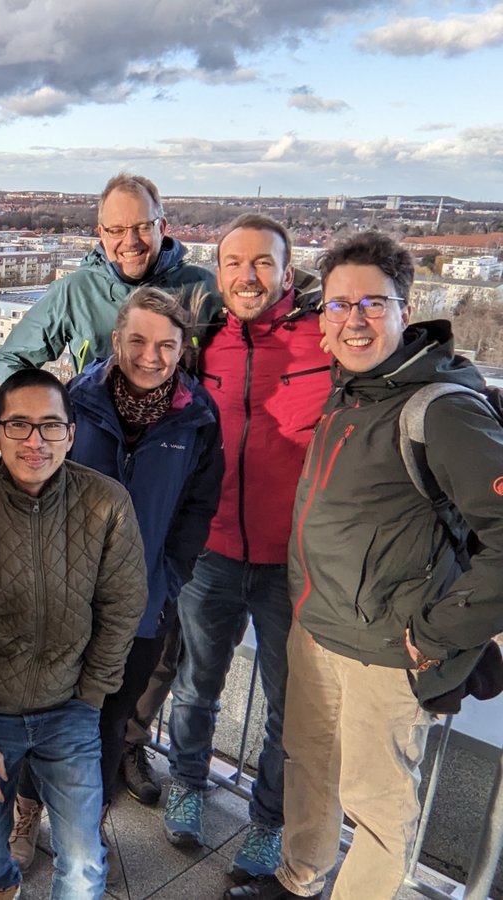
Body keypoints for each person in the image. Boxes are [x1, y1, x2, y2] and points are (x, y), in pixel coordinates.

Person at [226, 233, 503, 900]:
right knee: (309, 772)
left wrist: (436, 634)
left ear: (407, 308)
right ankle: (298, 880)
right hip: (318, 630)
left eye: (372, 304)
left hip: (387, 652)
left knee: (378, 813)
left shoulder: (438, 408)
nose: (353, 320)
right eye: (339, 304)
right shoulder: (355, 390)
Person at [5, 287, 224, 867]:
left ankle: (86, 826)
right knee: (44, 713)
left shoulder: (198, 417)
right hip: (61, 601)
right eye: (138, 341)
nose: (150, 356)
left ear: (183, 350)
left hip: (142, 606)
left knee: (109, 721)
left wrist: (169, 579)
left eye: (166, 346)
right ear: (116, 339)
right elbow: (34, 488)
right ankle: (26, 814)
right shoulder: (74, 401)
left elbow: (197, 510)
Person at [0, 367, 147, 899]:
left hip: (70, 705)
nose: (35, 441)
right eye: (18, 426)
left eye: (50, 425)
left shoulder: (107, 503)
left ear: (72, 433)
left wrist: (90, 695)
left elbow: (122, 606)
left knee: (86, 861)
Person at [163, 214, 330, 883]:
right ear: (218, 270)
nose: (247, 276)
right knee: (197, 684)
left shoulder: (326, 338)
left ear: (288, 272)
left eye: (263, 263)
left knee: (291, 711)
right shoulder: (202, 341)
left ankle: (267, 825)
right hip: (214, 552)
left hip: (295, 564)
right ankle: (186, 784)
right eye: (234, 263)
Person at [0, 172, 217, 383]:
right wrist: (50, 414)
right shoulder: (75, 293)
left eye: (142, 227)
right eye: (117, 230)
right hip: (96, 423)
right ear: (101, 234)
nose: (131, 241)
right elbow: (12, 361)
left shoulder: (202, 288)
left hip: (183, 422)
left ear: (162, 228)